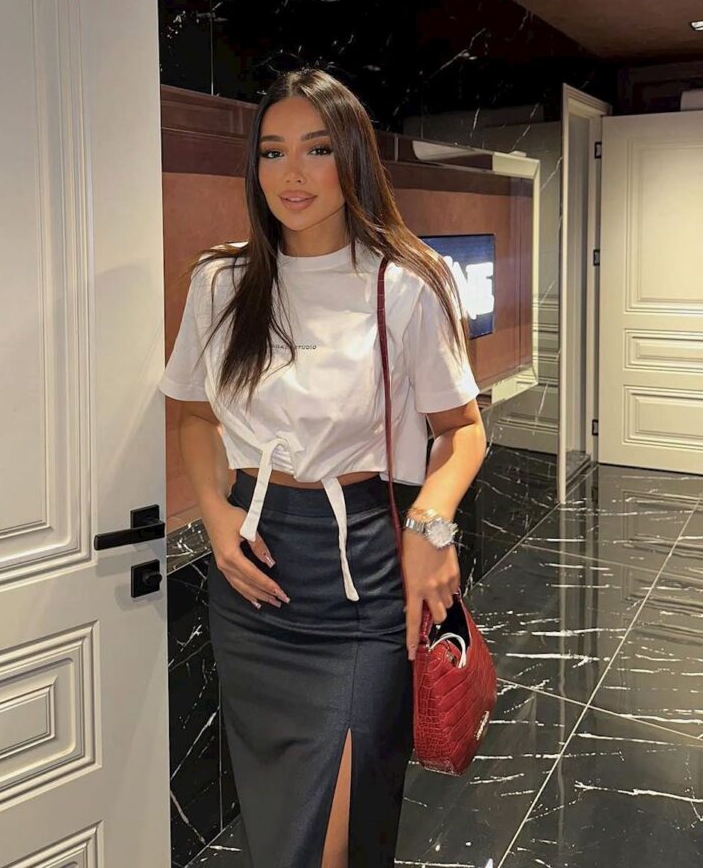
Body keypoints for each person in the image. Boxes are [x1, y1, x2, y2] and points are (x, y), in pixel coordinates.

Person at [158, 68, 487, 868]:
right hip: (255, 580)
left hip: (360, 584)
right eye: (272, 152)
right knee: (283, 835)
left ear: (353, 159)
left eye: (316, 149)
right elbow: (195, 415)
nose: (292, 173)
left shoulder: (405, 284)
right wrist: (217, 518)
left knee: (331, 836)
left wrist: (429, 525)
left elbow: (463, 430)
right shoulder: (222, 280)